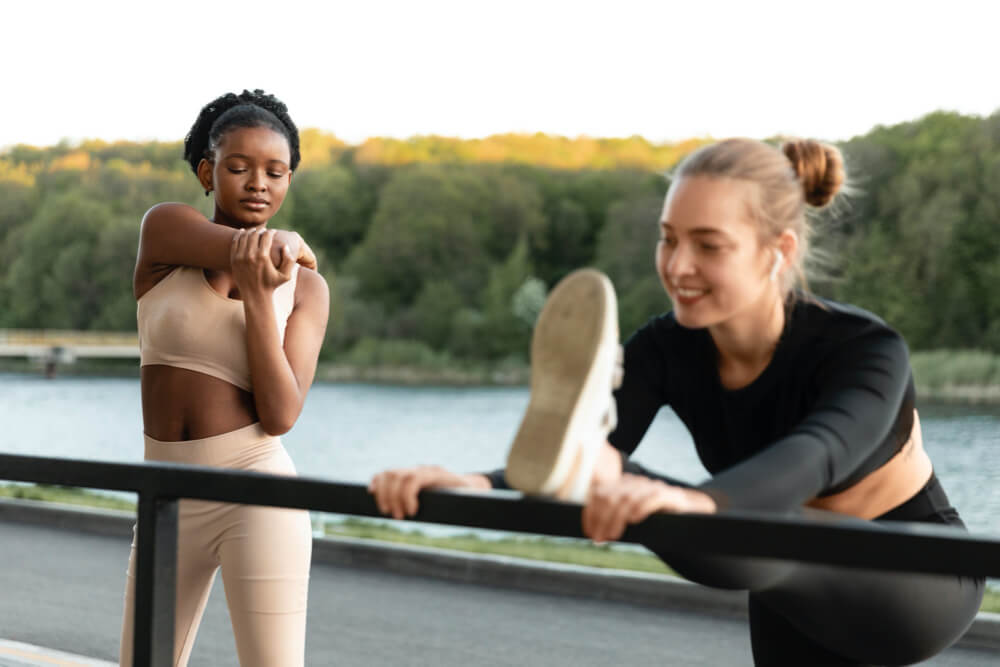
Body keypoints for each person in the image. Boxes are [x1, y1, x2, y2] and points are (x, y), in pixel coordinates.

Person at [369, 138, 984, 665]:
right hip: (771, 563)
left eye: (708, 245)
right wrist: (472, 484)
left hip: (916, 570)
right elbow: (585, 455)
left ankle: (662, 499)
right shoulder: (666, 347)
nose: (678, 266)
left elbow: (815, 454)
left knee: (676, 507)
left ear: (780, 251)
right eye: (668, 240)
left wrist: (693, 500)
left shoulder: (865, 349)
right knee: (625, 482)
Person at [119, 89, 329, 667]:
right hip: (164, 495)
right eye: (239, 168)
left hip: (257, 492)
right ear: (208, 172)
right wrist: (274, 250)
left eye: (276, 172)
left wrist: (264, 301)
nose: (259, 182)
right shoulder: (166, 234)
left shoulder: (306, 289)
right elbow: (242, 251)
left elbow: (281, 415)